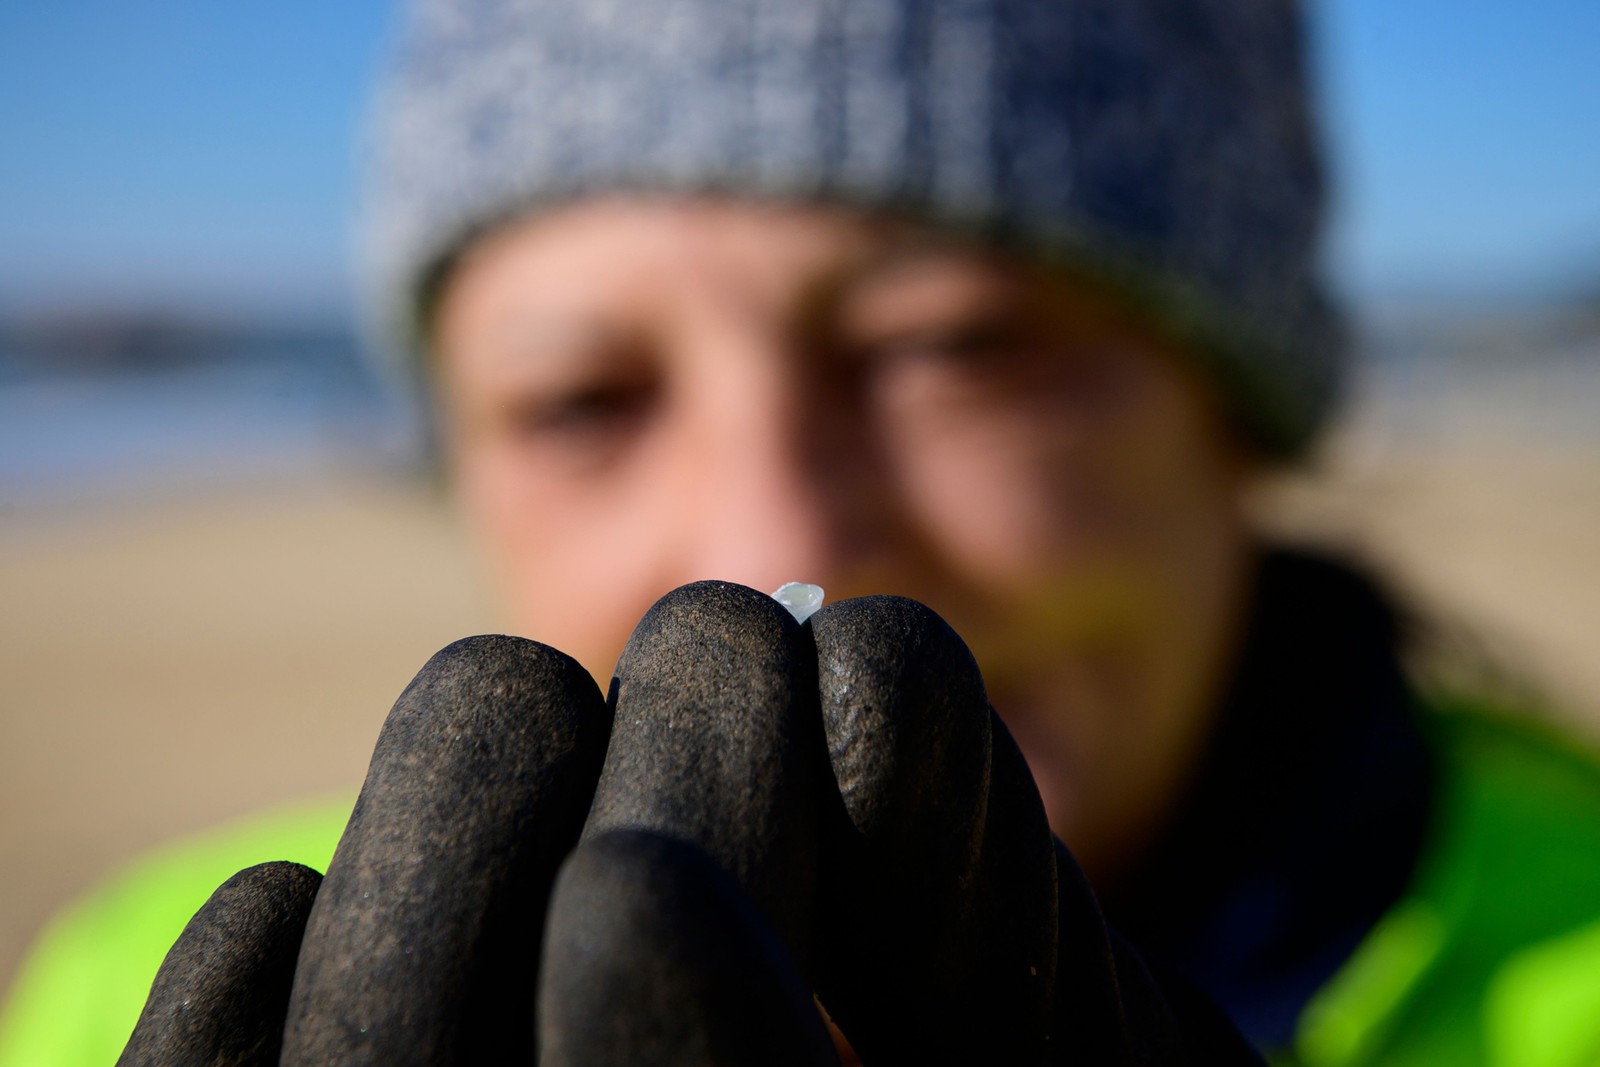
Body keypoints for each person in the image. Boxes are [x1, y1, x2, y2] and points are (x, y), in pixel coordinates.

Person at [4, 0, 1600, 1063]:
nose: (773, 540)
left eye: (953, 348)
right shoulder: (117, 996)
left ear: (1239, 406)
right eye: (580, 399)